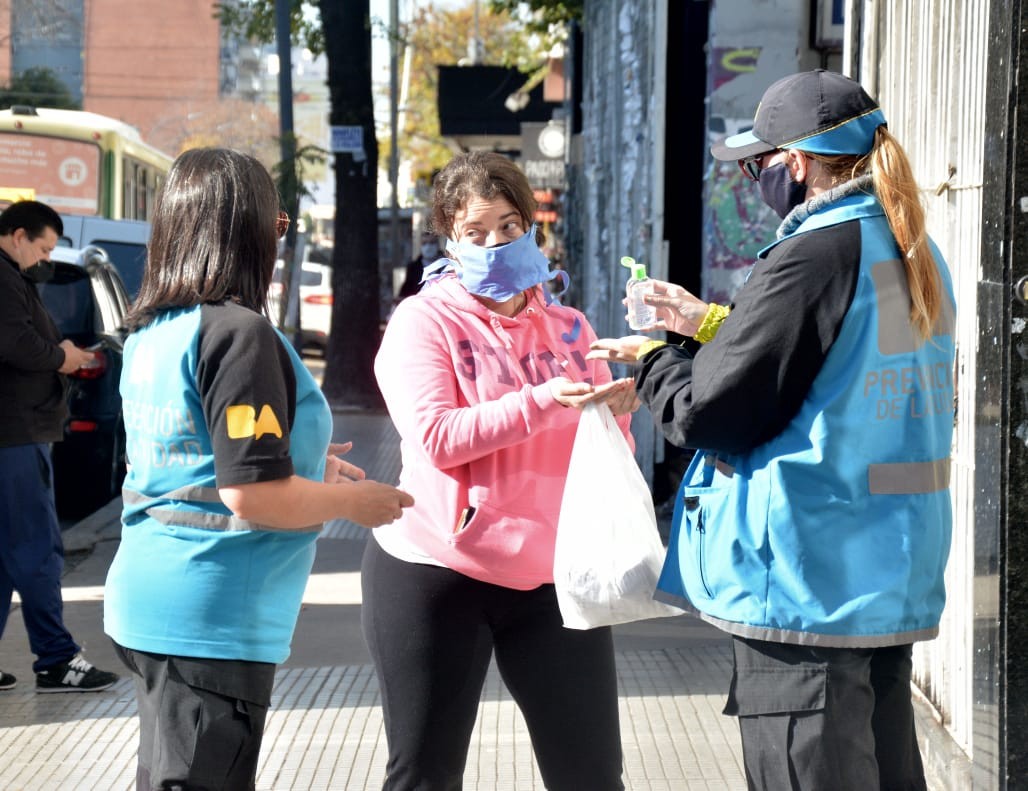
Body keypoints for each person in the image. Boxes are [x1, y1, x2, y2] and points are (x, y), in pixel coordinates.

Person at [589, 70, 956, 791]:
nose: (754, 179)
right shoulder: (910, 250)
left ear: (795, 162)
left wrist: (660, 356)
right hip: (885, 576)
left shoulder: (813, 255)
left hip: (804, 582)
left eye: (757, 163)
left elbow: (713, 412)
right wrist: (705, 325)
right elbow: (834, 367)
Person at [103, 148, 414, 791]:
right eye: (277, 223)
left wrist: (306, 462)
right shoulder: (238, 333)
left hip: (148, 598)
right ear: (245, 231)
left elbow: (185, 454)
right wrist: (355, 506)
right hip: (210, 616)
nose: (280, 236)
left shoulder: (152, 331)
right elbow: (252, 495)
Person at [367, 150, 638, 791]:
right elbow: (436, 437)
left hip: (552, 579)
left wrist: (619, 415)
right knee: (425, 776)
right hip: (436, 573)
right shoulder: (421, 322)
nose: (496, 242)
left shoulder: (571, 330)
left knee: (593, 775)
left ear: (532, 228)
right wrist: (541, 402)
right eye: (475, 232)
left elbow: (602, 457)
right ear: (449, 241)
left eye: (510, 226)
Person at [0, 200, 119, 694]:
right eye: (43, 247)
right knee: (37, 549)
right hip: (17, 434)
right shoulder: (4, 278)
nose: (45, 258)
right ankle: (56, 659)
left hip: (15, 432)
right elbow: (17, 345)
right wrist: (63, 356)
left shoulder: (12, 275)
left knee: (7, 554)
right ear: (18, 234)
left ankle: (53, 654)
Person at [395, 229, 442, 301]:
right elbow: (405, 292)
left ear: (438, 245)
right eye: (424, 243)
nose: (428, 247)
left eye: (432, 242)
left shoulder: (447, 266)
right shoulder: (413, 267)